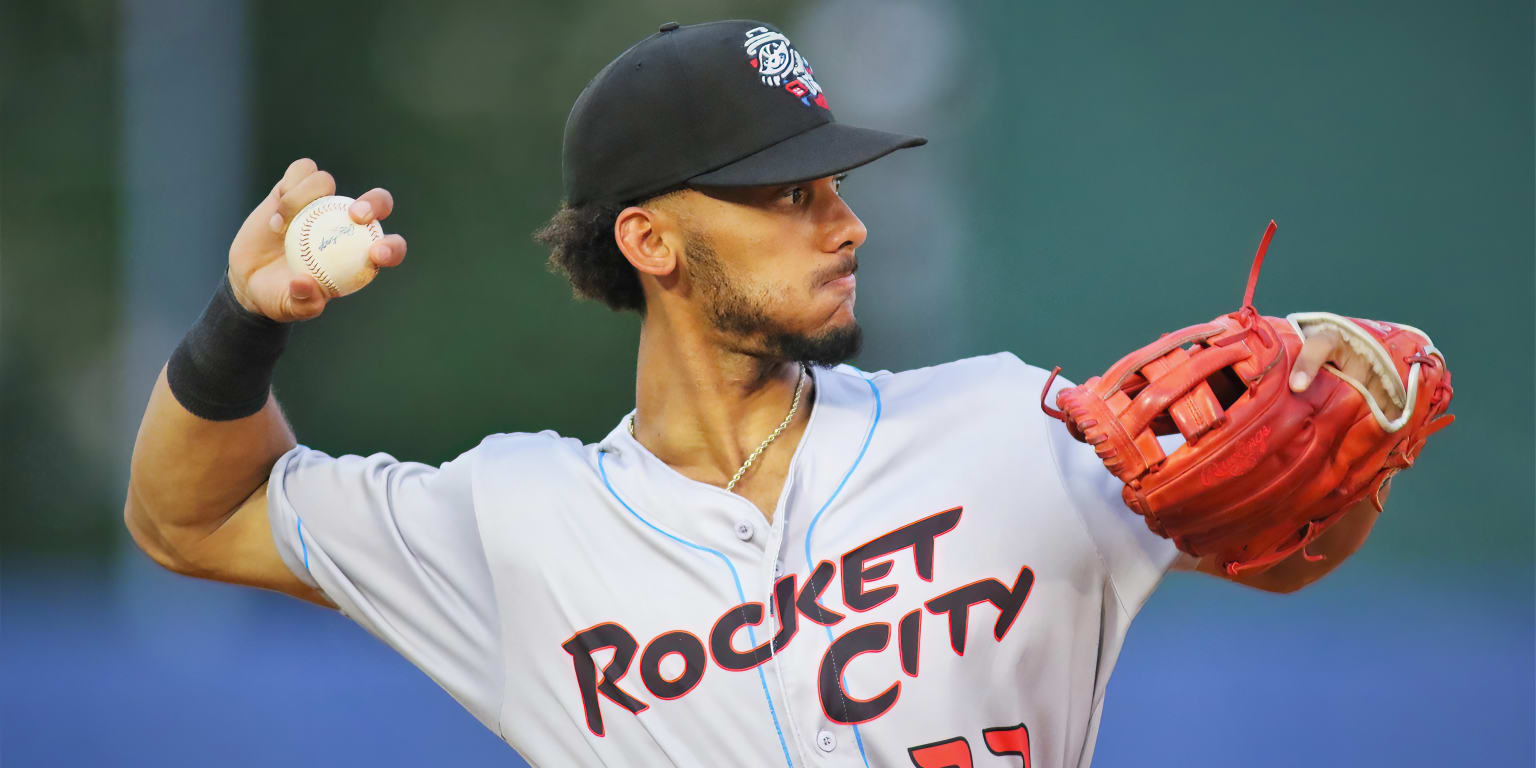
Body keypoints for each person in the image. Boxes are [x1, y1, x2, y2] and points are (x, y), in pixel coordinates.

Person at [124, 20, 1399, 768]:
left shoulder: (1009, 422)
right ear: (651, 243)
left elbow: (1278, 550)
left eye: (835, 185)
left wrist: (1350, 452)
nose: (843, 224)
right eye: (789, 194)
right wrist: (247, 321)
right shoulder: (514, 520)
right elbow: (191, 517)